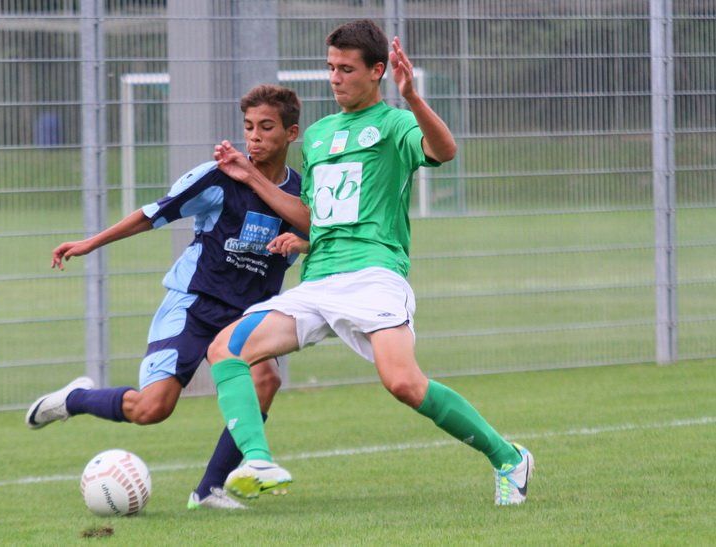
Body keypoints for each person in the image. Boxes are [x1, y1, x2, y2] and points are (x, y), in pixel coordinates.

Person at [206, 20, 534, 506]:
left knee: (403, 383)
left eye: (346, 69)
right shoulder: (318, 135)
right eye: (330, 68)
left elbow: (445, 150)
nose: (335, 78)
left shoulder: (396, 123)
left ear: (377, 71)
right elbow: (314, 217)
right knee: (225, 349)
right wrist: (252, 177)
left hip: (374, 274)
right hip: (319, 280)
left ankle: (509, 458)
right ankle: (258, 460)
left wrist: (413, 98)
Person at [24, 84, 308, 510]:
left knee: (266, 380)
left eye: (266, 127)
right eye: (249, 126)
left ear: (291, 133)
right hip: (195, 304)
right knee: (152, 409)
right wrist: (90, 242)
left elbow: (323, 235)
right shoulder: (219, 176)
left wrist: (302, 243)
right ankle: (74, 399)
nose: (254, 136)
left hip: (248, 313)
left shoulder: (300, 193)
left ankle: (208, 490)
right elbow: (153, 214)